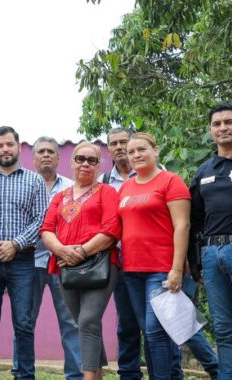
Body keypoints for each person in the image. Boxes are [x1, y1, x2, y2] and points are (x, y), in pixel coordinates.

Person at [39, 141, 121, 380]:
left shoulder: (107, 192)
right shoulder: (61, 196)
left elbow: (111, 229)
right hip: (66, 267)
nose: (85, 164)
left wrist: (81, 252)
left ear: (99, 165)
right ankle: (97, 375)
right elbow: (46, 229)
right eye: (80, 159)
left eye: (92, 160)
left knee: (87, 320)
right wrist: (64, 251)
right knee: (85, 325)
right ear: (71, 162)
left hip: (100, 264)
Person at [0, 126, 49, 380]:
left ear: (19, 147)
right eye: (0, 145)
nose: (5, 149)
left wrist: (15, 244)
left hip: (24, 260)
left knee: (24, 323)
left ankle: (25, 375)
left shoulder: (34, 180)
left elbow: (42, 219)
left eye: (9, 144)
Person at [117, 132, 191, 380]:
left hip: (161, 268)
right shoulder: (126, 187)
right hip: (131, 269)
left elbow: (182, 226)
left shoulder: (171, 181)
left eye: (141, 149)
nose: (136, 155)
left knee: (156, 331)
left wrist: (176, 268)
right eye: (131, 152)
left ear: (155, 150)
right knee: (148, 332)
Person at [10, 136, 82, 380]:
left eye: (51, 151)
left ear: (59, 157)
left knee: (71, 322)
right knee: (24, 321)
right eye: (41, 151)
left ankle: (75, 374)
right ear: (33, 157)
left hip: (63, 262)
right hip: (28, 262)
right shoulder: (24, 184)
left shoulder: (72, 188)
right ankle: (21, 372)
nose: (46, 155)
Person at [189, 104, 232, 379]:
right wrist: (196, 263)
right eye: (216, 124)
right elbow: (195, 221)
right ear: (211, 131)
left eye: (229, 122)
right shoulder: (203, 172)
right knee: (224, 330)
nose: (223, 127)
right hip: (212, 256)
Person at [98, 128, 146, 380]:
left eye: (123, 142)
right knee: (126, 322)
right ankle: (129, 373)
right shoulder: (105, 181)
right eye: (113, 143)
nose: (119, 147)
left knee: (155, 323)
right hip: (119, 260)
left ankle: (168, 371)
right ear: (109, 150)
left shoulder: (151, 173)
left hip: (151, 260)